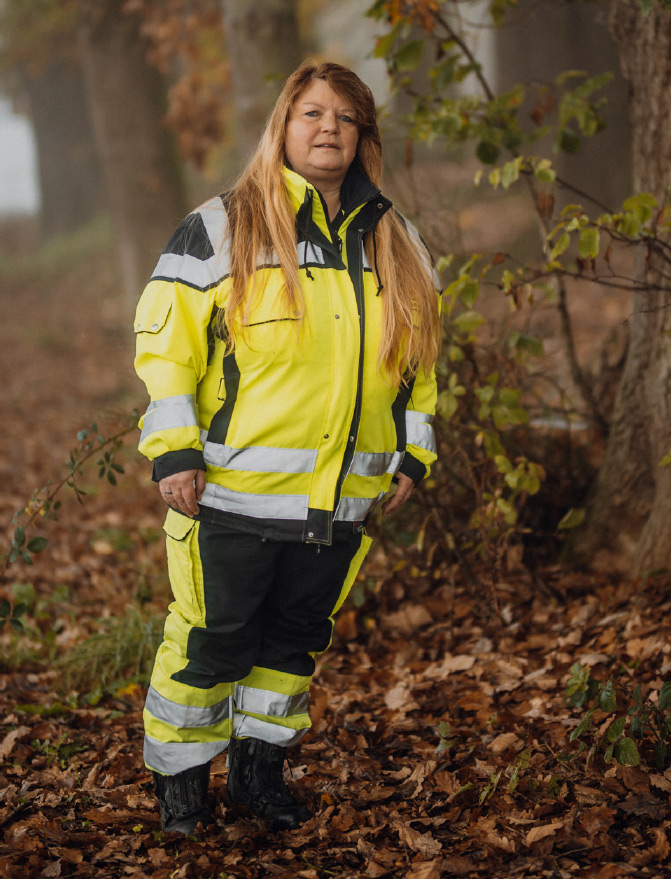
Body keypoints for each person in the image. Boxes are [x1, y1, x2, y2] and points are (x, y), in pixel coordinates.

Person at [133, 60, 441, 835]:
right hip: (226, 496)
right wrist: (173, 450)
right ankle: (181, 783)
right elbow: (165, 346)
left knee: (293, 645)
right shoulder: (222, 225)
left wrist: (413, 452)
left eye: (343, 116)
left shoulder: (395, 241)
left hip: (339, 500)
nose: (327, 127)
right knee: (211, 643)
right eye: (311, 112)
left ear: (363, 136)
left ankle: (259, 772)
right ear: (282, 126)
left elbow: (420, 362)